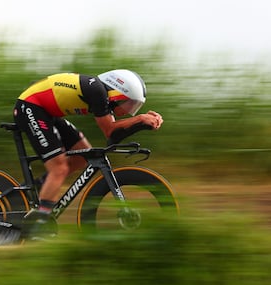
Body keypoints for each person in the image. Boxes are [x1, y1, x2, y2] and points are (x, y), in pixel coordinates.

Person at [13, 69, 163, 236]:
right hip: (30, 107)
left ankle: (35, 191)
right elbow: (110, 132)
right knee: (59, 168)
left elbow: (114, 137)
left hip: (47, 112)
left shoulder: (99, 93)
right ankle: (38, 224)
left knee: (81, 157)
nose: (129, 111)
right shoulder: (98, 91)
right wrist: (140, 120)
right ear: (119, 93)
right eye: (130, 104)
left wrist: (141, 123)